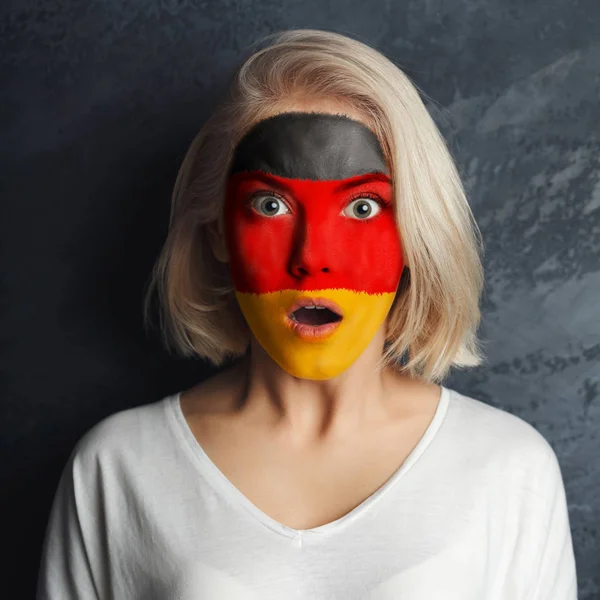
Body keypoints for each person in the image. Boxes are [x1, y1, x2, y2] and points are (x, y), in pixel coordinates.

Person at [36, 28, 578, 599]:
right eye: (269, 205)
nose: (311, 260)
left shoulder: (507, 467)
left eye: (363, 206)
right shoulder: (118, 467)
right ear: (219, 230)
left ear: (416, 233)